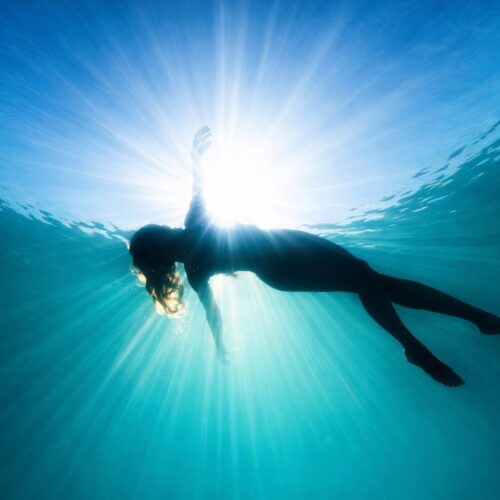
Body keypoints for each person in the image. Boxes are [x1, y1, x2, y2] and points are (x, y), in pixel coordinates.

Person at [129, 127, 500, 387]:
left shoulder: (195, 266)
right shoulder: (193, 228)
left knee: (373, 281)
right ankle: (420, 342)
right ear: (160, 241)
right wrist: (195, 155)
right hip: (282, 253)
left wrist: (221, 343)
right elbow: (200, 186)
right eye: (159, 230)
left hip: (281, 263)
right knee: (364, 276)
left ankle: (474, 320)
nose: (164, 226)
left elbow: (212, 312)